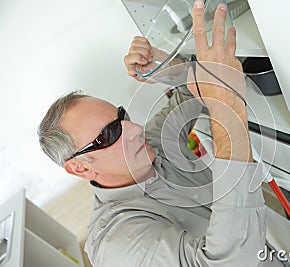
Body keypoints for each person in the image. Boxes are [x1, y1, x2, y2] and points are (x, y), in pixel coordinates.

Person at [38, 1, 271, 266]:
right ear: (80, 168)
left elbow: (188, 94)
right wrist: (227, 108)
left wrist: (164, 66)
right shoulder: (116, 244)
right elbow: (232, 261)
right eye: (110, 134)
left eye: (122, 117)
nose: (135, 130)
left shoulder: (153, 143)